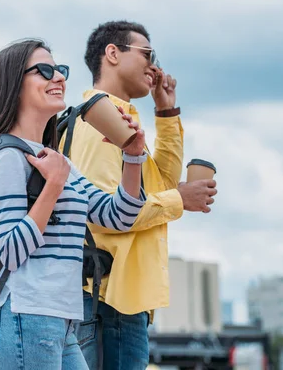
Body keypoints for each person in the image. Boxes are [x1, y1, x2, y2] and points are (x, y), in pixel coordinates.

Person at [0, 39, 147, 370]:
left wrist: (134, 155)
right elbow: (10, 250)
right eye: (45, 70)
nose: (59, 78)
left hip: (60, 321)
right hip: (22, 315)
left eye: (60, 70)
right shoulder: (7, 159)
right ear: (12, 83)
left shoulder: (57, 161)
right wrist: (53, 184)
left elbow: (120, 216)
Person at [62, 21, 218, 369]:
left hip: (121, 299)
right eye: (147, 54)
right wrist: (180, 200)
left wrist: (166, 112)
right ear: (113, 53)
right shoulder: (98, 121)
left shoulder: (120, 119)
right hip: (105, 300)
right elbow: (104, 214)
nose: (153, 65)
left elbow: (161, 182)